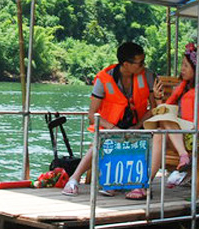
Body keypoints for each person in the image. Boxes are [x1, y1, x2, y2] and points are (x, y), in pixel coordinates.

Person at [62, 42, 162, 196]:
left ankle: (129, 183)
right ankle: (74, 179)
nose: (144, 65)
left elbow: (155, 109)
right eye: (140, 62)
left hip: (138, 127)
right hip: (111, 128)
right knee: (102, 140)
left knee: (143, 138)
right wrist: (113, 128)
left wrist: (138, 126)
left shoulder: (148, 76)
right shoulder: (104, 79)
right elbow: (91, 115)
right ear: (126, 64)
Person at [141, 42, 199, 196]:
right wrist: (158, 99)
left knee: (159, 133)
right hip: (180, 135)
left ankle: (144, 183)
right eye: (182, 65)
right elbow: (166, 112)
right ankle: (181, 158)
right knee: (159, 132)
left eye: (186, 65)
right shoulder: (183, 88)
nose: (182, 69)